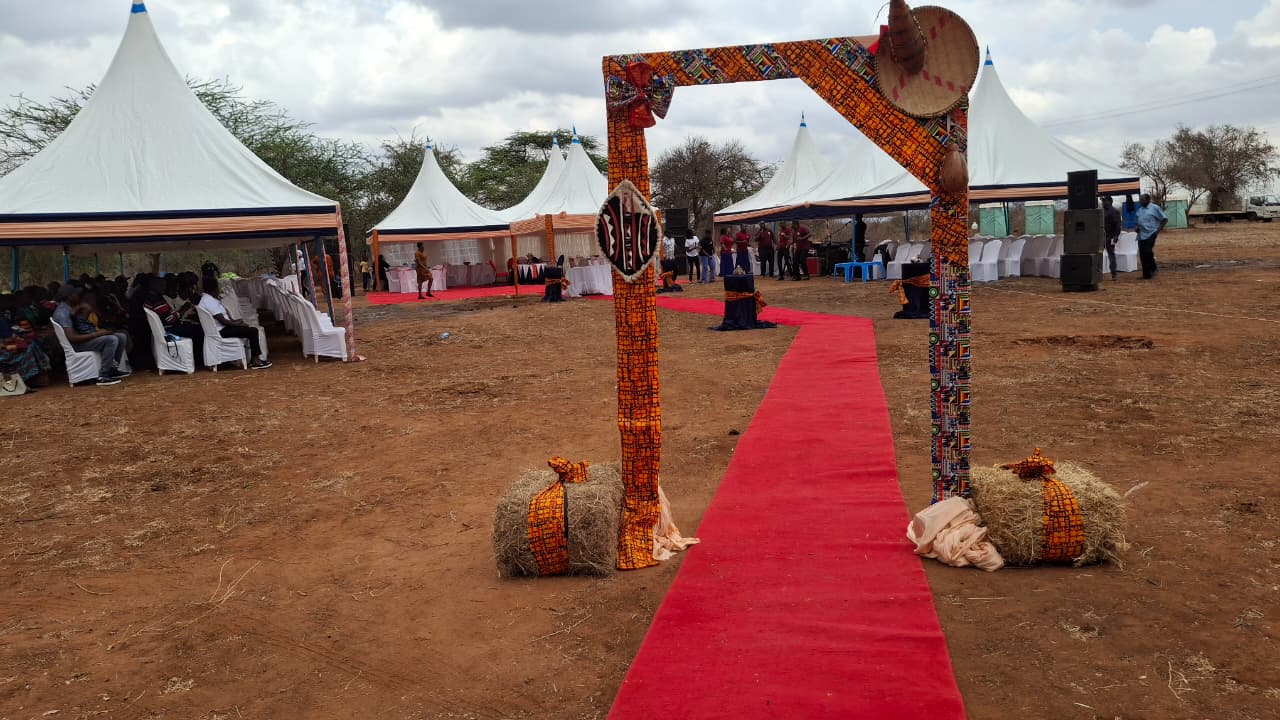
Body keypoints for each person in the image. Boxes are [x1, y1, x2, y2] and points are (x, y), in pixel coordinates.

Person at [52, 285, 130, 385]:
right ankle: (103, 376)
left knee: (121, 337)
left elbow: (82, 325)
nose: (79, 296)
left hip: (84, 339)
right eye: (76, 294)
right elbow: (72, 338)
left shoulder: (71, 308)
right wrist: (96, 334)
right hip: (77, 344)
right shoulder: (62, 313)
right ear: (69, 297)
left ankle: (113, 369)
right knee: (112, 340)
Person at [198, 276, 271, 369]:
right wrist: (238, 324)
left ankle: (254, 358)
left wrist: (236, 321)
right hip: (222, 331)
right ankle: (255, 360)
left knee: (248, 329)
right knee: (253, 331)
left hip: (220, 329)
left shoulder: (206, 299)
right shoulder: (209, 301)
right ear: (214, 288)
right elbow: (223, 321)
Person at [1134, 193, 1167, 280]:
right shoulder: (1140, 210)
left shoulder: (1155, 208)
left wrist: (1158, 230)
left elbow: (1164, 219)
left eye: (1142, 200)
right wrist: (1137, 227)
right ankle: (1146, 274)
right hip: (1141, 234)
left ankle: (1153, 268)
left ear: (1148, 200)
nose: (1140, 201)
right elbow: (1138, 221)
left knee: (1147, 251)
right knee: (1142, 254)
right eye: (1140, 200)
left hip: (1151, 233)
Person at [1102, 196, 1122, 281]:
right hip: (1102, 237)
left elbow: (1118, 225)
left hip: (1110, 236)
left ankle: (1113, 273)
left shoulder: (1114, 211)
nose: (1103, 203)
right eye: (1102, 201)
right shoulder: (1103, 212)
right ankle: (1097, 273)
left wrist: (1116, 236)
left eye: (1104, 201)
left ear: (1110, 201)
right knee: (1098, 254)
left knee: (1111, 255)